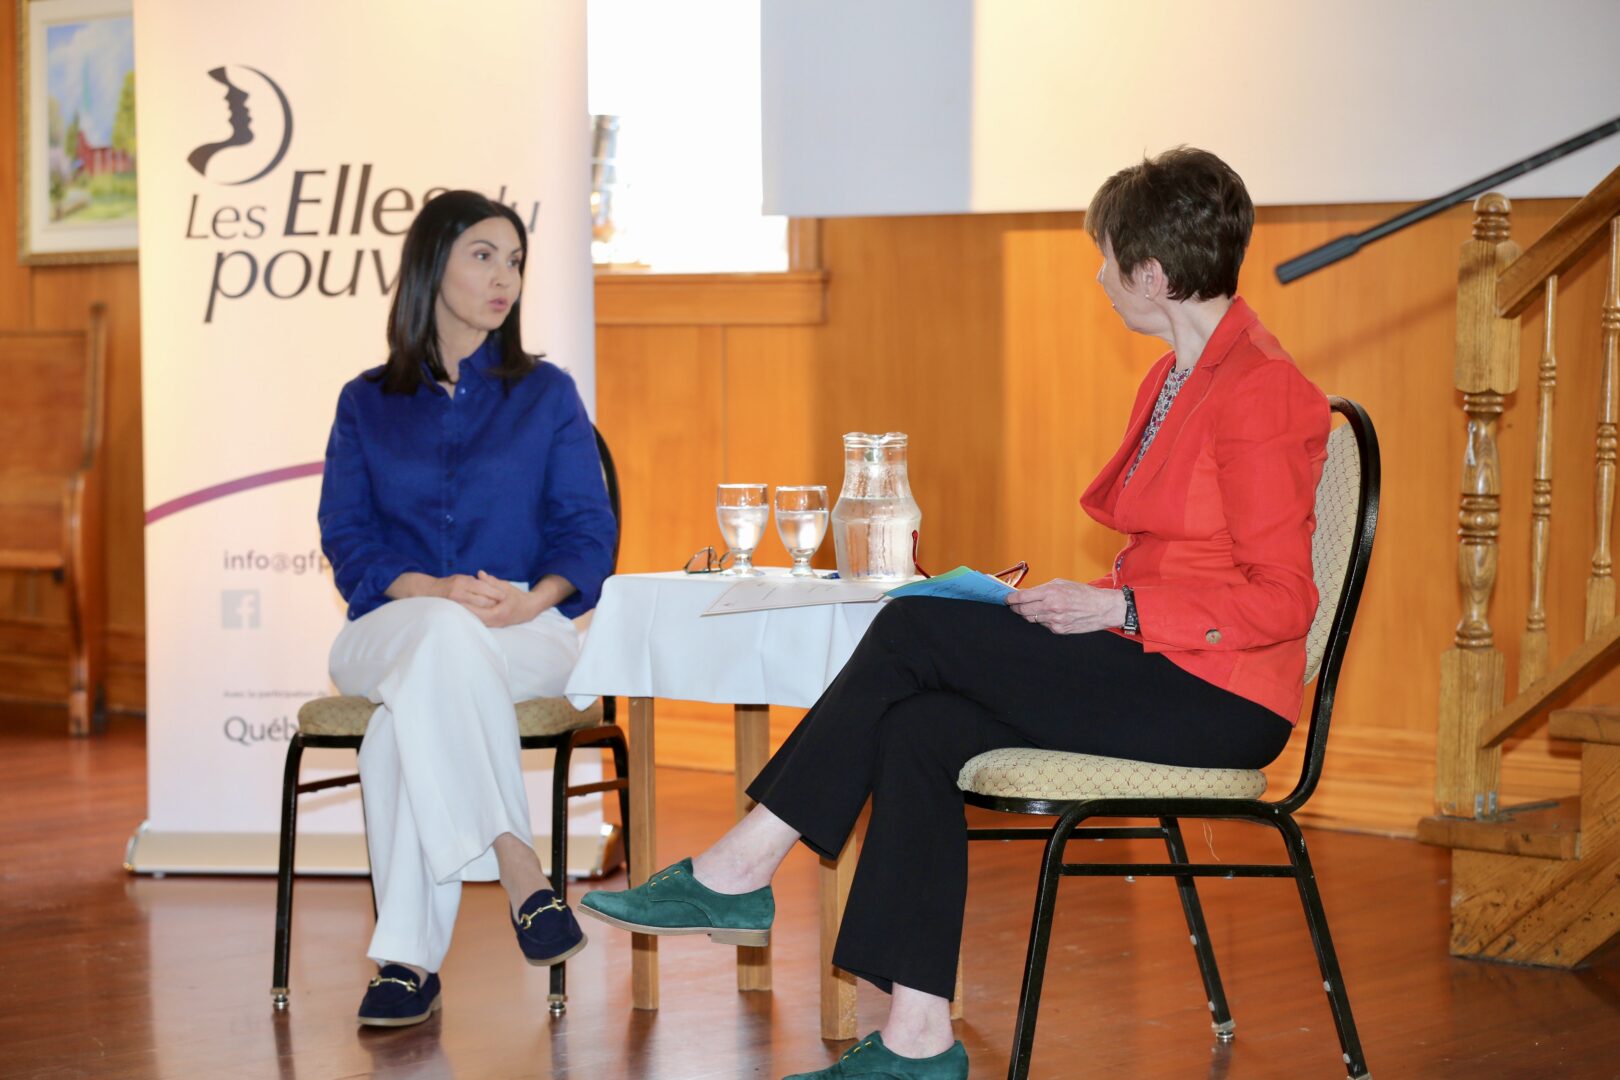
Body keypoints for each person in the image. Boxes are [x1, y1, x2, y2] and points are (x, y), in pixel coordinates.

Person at [579, 147, 1328, 1079]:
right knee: (920, 725)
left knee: (914, 628)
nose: (1098, 279)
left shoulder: (1260, 389)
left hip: (1220, 699)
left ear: (1154, 273)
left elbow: (1284, 596)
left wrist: (1118, 603)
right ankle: (918, 1040)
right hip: (1155, 660)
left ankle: (741, 866)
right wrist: (1080, 606)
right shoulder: (1173, 375)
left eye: (1107, 260)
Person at [317, 189, 617, 1027]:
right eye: (484, 254)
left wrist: (536, 600)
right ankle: (519, 866)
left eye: (515, 260)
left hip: (526, 632)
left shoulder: (546, 393)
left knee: (399, 727)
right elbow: (347, 537)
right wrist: (432, 592)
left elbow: (588, 531)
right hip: (393, 622)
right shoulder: (365, 401)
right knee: (439, 641)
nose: (505, 277)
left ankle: (405, 962)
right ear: (431, 264)